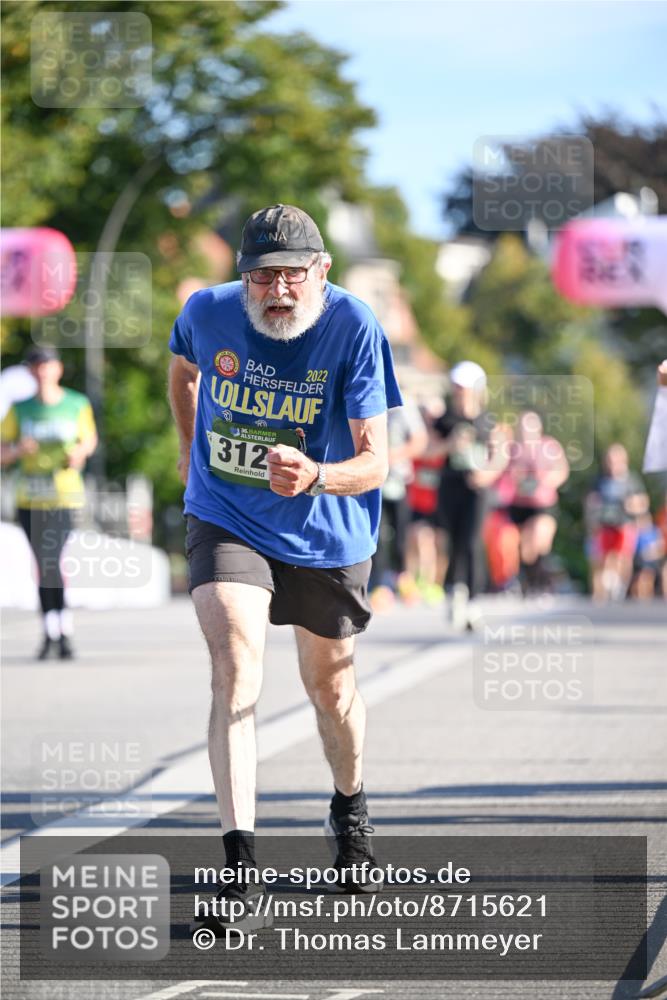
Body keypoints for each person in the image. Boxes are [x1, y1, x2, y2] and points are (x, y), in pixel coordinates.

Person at [167, 204, 402, 932]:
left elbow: (377, 463)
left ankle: (349, 803)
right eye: (260, 277)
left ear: (320, 273)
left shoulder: (354, 326)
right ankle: (241, 871)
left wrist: (317, 475)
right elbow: (181, 372)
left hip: (326, 526)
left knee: (328, 688)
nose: (275, 291)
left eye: (289, 276)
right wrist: (188, 451)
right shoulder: (206, 313)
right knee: (235, 663)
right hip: (226, 512)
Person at [0, 346, 97, 659]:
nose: (42, 371)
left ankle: (60, 630)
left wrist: (78, 454)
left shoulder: (76, 404)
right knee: (43, 563)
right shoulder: (20, 408)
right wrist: (17, 450)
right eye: (36, 366)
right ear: (30, 372)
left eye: (47, 365)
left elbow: (89, 440)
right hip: (30, 497)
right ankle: (53, 630)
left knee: (53, 560)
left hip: (64, 495)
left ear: (58, 369)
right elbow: (2, 453)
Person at [433, 361, 504, 629]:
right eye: (456, 387)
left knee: (471, 540)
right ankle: (455, 592)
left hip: (478, 488)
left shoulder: (488, 420)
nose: (459, 392)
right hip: (450, 485)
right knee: (452, 541)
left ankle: (472, 600)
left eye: (464, 387)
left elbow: (500, 455)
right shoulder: (445, 420)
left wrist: (486, 474)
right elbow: (429, 449)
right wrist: (450, 444)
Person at [503, 411, 570, 595]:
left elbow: (562, 470)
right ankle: (530, 582)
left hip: (542, 503)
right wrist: (517, 478)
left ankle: (544, 582)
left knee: (539, 537)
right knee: (525, 547)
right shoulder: (513, 449)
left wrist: (546, 480)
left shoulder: (549, 446)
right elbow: (504, 472)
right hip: (520, 504)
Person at [369, 398, 427, 608]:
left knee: (402, 534)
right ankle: (381, 586)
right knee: (379, 535)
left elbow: (419, 440)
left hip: (399, 481)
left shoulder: (404, 405)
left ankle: (404, 580)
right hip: (375, 483)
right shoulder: (367, 396)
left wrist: (391, 456)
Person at [585, 443, 648, 602]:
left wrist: (632, 505)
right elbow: (590, 502)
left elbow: (642, 502)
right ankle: (601, 594)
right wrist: (592, 515)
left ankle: (620, 586)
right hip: (604, 526)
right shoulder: (599, 480)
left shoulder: (631, 480)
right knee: (601, 559)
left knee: (623, 557)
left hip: (624, 525)